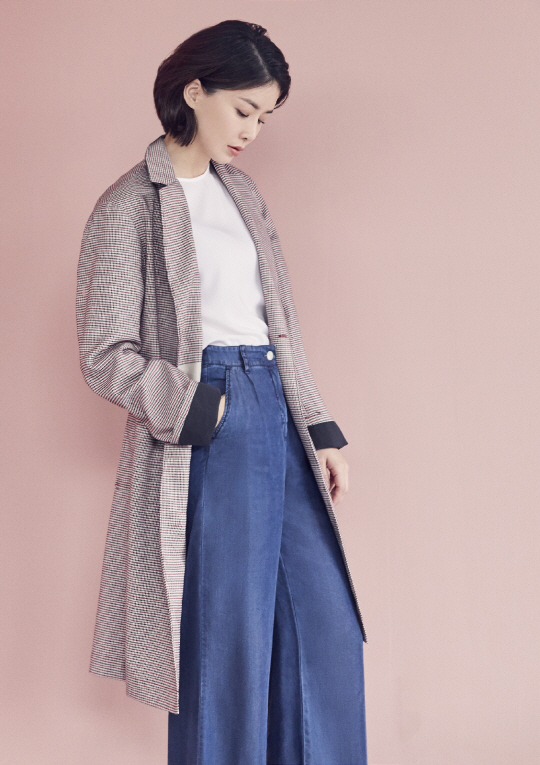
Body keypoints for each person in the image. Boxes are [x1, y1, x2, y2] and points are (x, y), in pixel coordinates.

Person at [76, 19, 367, 765]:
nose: (252, 132)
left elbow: (281, 322)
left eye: (265, 118)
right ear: (194, 89)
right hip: (207, 416)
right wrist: (199, 408)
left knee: (324, 629)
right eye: (244, 110)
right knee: (226, 642)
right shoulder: (128, 205)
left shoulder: (243, 193)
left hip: (276, 406)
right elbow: (105, 353)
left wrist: (320, 426)